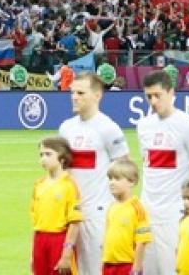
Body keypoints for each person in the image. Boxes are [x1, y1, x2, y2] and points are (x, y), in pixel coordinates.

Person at [140, 70, 189, 275]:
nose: (153, 101)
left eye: (157, 95)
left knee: (174, 268)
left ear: (171, 93)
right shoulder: (143, 126)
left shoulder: (188, 126)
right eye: (149, 96)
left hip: (175, 214)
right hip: (147, 211)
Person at [64, 73, 134, 275]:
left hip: (99, 213)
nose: (74, 97)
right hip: (72, 214)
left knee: (96, 268)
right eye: (72, 92)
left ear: (97, 95)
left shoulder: (108, 129)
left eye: (80, 93)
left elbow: (125, 168)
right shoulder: (66, 128)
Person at [33, 137, 85, 275]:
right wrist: (33, 254)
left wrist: (67, 253)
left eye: (48, 154)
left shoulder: (69, 185)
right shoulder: (39, 184)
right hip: (40, 239)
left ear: (62, 158)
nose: (43, 158)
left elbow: (74, 222)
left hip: (59, 240)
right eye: (41, 154)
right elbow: (36, 220)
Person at [105, 159, 153, 275]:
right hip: (108, 265)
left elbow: (142, 241)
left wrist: (136, 268)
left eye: (117, 179)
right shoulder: (111, 207)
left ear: (132, 182)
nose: (112, 182)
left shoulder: (137, 208)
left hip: (127, 266)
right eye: (110, 178)